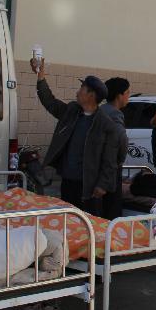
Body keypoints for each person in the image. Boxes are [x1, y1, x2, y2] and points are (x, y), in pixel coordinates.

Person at [31, 58, 118, 216]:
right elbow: (50, 102)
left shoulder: (105, 125)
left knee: (88, 223)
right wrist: (40, 76)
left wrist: (102, 185)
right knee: (68, 221)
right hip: (68, 181)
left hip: (90, 187)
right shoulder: (72, 111)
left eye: (82, 89)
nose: (78, 92)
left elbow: (111, 160)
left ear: (91, 95)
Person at [99, 77, 130, 219]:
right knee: (112, 211)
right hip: (110, 168)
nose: (128, 96)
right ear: (119, 96)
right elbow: (122, 139)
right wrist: (120, 160)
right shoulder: (115, 114)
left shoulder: (100, 110)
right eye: (127, 93)